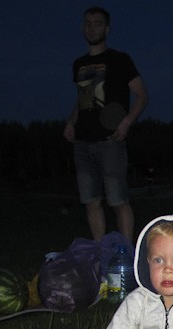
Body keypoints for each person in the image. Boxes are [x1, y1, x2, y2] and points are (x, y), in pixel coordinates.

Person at [63, 6, 148, 243]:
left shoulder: (120, 60)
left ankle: (127, 254)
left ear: (107, 29)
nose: (92, 28)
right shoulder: (78, 64)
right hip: (82, 141)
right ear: (83, 28)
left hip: (110, 142)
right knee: (91, 201)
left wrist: (126, 123)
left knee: (119, 201)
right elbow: (82, 99)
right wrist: (71, 122)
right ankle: (100, 254)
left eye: (97, 23)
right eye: (88, 23)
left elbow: (142, 96)